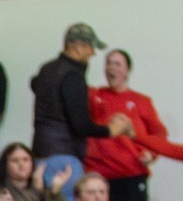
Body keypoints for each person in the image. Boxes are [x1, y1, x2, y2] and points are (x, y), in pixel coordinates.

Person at [30, 22, 121, 192]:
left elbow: (34, 84)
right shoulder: (73, 75)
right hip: (64, 158)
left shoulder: (47, 69)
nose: (93, 53)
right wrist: (111, 130)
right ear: (78, 47)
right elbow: (80, 125)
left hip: (40, 154)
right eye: (90, 48)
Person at [85, 49, 162, 201]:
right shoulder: (93, 96)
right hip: (98, 178)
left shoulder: (141, 101)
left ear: (127, 70)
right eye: (108, 63)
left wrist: (150, 154)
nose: (112, 67)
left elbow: (160, 134)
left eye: (117, 64)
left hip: (131, 178)